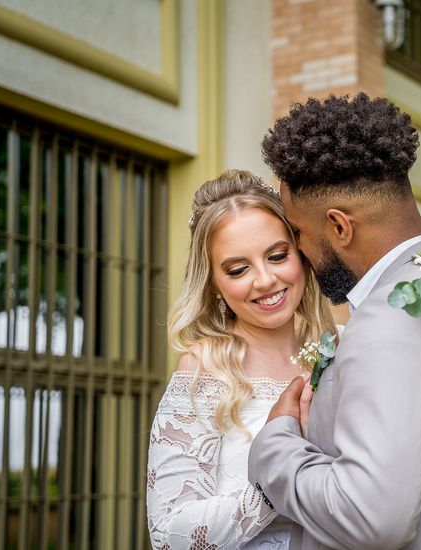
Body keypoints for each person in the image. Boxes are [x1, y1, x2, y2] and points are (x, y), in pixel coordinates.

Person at [248, 93, 421, 550]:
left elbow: (369, 518)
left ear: (340, 227)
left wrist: (275, 446)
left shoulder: (397, 314)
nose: (298, 249)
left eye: (298, 232)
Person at [146, 170, 336, 549]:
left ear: (300, 253)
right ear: (215, 283)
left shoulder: (345, 349)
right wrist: (276, 486)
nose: (265, 279)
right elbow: (169, 536)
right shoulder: (203, 369)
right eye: (238, 269)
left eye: (277, 255)